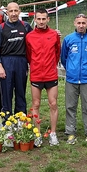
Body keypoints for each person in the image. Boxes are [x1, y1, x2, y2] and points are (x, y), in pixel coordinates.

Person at [60, 14, 87, 144]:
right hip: (71, 79)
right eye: (79, 23)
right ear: (74, 23)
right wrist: (71, 69)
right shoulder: (68, 39)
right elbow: (64, 58)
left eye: (83, 23)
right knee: (70, 106)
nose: (81, 25)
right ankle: (70, 132)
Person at [26, 9, 61, 146]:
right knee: (36, 104)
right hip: (36, 75)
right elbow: (29, 55)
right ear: (35, 19)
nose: (41, 22)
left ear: (48, 19)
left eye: (43, 19)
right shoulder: (29, 36)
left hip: (51, 74)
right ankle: (37, 134)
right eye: (38, 19)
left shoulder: (54, 35)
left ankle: (53, 134)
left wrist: (51, 65)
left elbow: (57, 52)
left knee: (53, 104)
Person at [0, 2, 33, 115]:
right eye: (11, 11)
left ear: (19, 12)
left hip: (21, 61)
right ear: (7, 12)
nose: (14, 13)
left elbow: (36, 38)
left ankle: (21, 118)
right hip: (6, 61)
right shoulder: (1, 28)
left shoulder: (25, 26)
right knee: (6, 91)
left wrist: (54, 33)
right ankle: (7, 117)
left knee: (21, 90)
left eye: (16, 11)